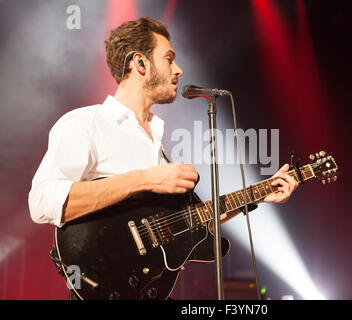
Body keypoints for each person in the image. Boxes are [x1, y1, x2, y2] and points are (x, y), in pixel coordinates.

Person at [28, 17, 298, 298]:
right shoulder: (85, 123)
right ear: (140, 64)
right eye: (169, 59)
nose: (178, 70)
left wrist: (259, 194)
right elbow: (42, 202)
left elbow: (182, 222)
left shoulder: (154, 138)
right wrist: (145, 179)